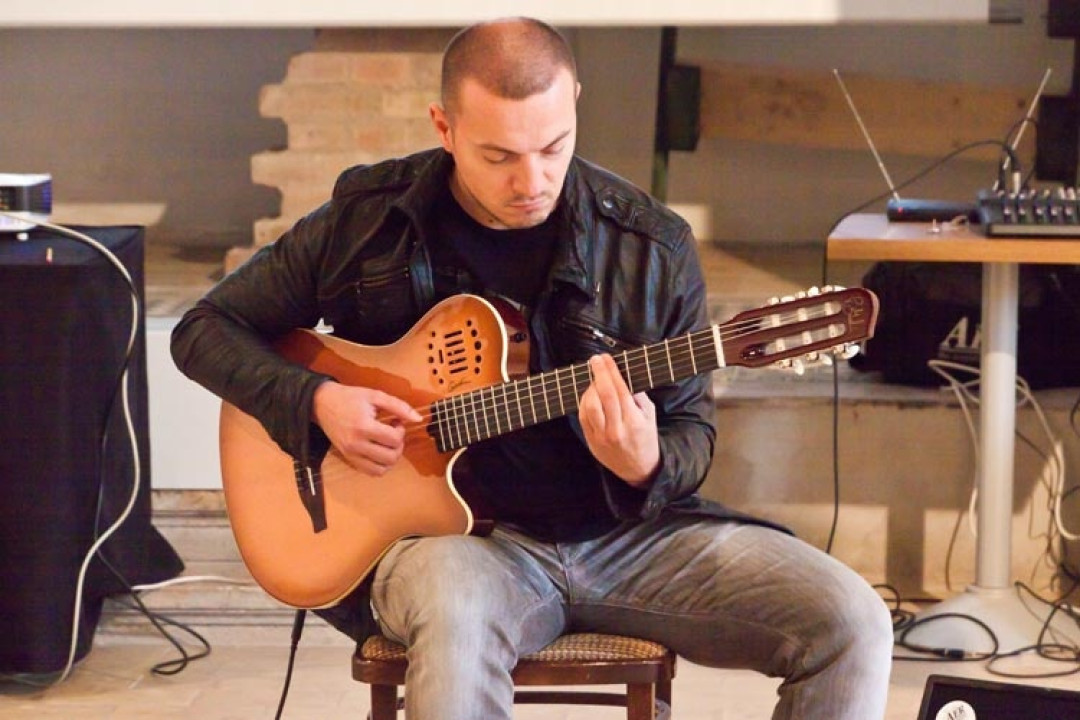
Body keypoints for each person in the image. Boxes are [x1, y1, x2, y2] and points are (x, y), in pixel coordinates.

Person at [172, 17, 893, 719]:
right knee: (457, 614)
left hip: (630, 540)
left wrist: (645, 463)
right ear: (444, 127)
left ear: (574, 102)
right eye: (498, 157)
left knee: (851, 621)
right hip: (459, 548)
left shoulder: (651, 245)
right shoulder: (369, 222)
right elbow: (204, 329)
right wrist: (317, 401)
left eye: (554, 147)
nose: (532, 180)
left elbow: (691, 432)